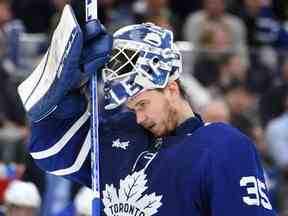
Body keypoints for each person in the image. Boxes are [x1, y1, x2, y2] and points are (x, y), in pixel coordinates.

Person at [17, 4, 276, 216]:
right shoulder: (120, 134)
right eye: (131, 107)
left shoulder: (224, 147)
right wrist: (64, 89)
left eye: (142, 104)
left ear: (171, 89)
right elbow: (48, 150)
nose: (139, 117)